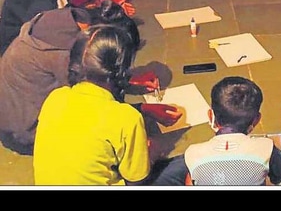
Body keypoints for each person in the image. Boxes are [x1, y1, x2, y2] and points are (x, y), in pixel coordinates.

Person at [0, 0, 179, 155]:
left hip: (11, 116)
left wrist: (128, 79)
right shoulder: (67, 56)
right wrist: (143, 110)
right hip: (28, 132)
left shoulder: (67, 19)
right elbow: (98, 110)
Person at [33, 24, 183, 185]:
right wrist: (151, 153)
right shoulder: (126, 119)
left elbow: (94, 120)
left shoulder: (56, 97)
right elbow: (137, 180)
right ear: (121, 71)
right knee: (185, 164)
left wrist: (143, 108)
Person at [183, 76, 281, 185]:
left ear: (210, 115)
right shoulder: (266, 148)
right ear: (256, 120)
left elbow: (190, 183)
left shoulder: (192, 153)